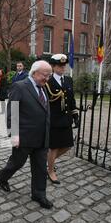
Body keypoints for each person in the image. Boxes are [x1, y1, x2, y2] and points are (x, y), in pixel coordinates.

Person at [0, 60, 54, 209]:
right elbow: (12, 113)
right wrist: (14, 135)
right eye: (45, 75)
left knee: (41, 167)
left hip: (42, 138)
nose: (47, 78)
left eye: (49, 75)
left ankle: (38, 193)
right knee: (16, 163)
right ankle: (2, 176)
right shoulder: (20, 86)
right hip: (24, 137)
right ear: (34, 73)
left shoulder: (43, 87)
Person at [45, 54, 79, 185]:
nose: (62, 68)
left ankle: (48, 162)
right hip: (53, 120)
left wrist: (75, 115)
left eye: (64, 65)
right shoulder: (48, 81)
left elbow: (71, 100)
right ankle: (50, 170)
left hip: (66, 119)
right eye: (60, 65)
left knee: (67, 145)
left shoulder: (69, 80)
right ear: (53, 67)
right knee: (54, 147)